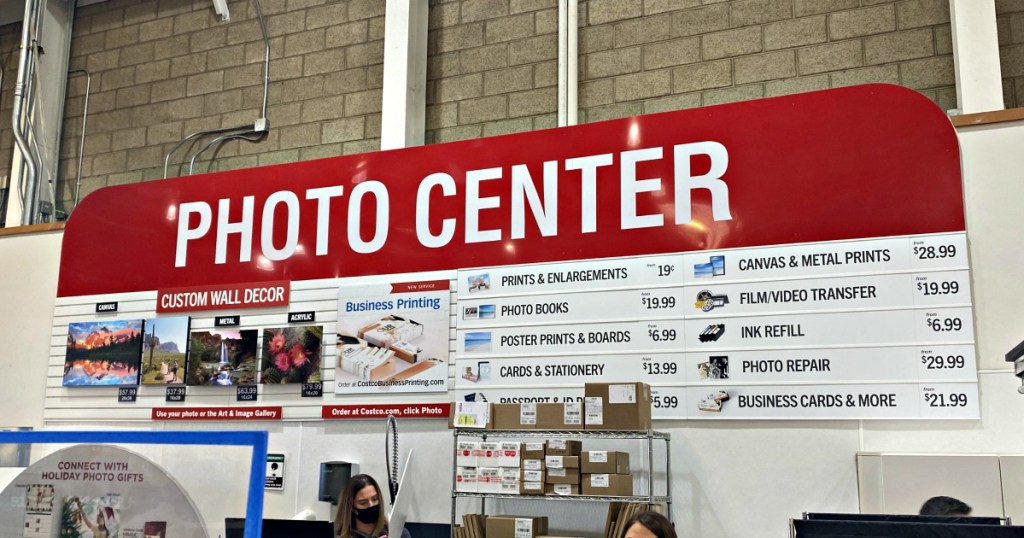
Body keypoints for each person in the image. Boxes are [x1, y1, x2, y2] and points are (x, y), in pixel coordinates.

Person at [333, 474, 411, 538]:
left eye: (374, 499)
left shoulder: (398, 533)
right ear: (352, 507)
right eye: (363, 503)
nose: (371, 505)